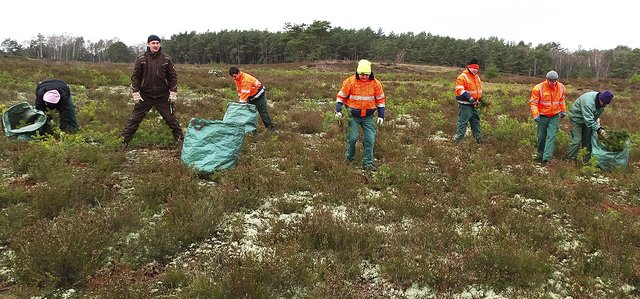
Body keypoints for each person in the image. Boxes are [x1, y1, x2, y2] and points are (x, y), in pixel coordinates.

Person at [121, 35, 183, 148]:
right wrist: (135, 92)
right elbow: (135, 77)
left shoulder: (166, 59)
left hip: (163, 97)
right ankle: (123, 143)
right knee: (134, 120)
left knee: (171, 120)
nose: (155, 45)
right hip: (145, 96)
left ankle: (180, 142)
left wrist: (173, 92)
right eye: (153, 43)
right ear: (148, 44)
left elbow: (173, 77)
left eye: (157, 43)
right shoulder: (141, 59)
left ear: (160, 45)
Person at [335, 59, 386, 171]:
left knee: (370, 139)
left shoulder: (376, 84)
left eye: (366, 74)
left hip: (368, 117)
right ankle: (349, 159)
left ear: (370, 73)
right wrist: (338, 110)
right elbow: (341, 97)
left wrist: (381, 115)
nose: (364, 76)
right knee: (352, 138)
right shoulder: (350, 82)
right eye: (362, 74)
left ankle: (367, 163)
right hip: (353, 116)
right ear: (358, 72)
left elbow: (380, 100)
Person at [529, 70, 567, 164]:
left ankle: (547, 158)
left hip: (554, 116)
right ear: (547, 79)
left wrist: (563, 110)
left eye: (555, 80)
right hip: (542, 116)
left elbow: (562, 100)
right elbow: (533, 103)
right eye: (551, 81)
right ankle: (540, 155)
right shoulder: (538, 88)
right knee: (541, 137)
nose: (553, 83)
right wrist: (535, 114)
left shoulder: (561, 87)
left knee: (552, 136)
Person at [566, 90, 614, 161]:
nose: (604, 105)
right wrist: (599, 130)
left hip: (588, 122)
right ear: (600, 99)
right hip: (576, 120)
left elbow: (594, 116)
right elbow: (589, 120)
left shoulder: (602, 104)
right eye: (603, 103)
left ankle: (586, 160)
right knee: (577, 140)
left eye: (605, 104)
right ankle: (569, 159)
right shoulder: (588, 102)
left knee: (587, 141)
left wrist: (597, 120)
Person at [228, 67, 275, 131]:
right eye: (232, 77)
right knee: (249, 113)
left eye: (235, 76)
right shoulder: (237, 79)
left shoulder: (246, 80)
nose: (234, 78)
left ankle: (271, 129)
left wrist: (239, 106)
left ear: (239, 73)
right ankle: (251, 130)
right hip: (250, 96)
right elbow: (240, 91)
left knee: (263, 113)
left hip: (259, 96)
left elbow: (244, 96)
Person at [454, 58, 483, 144]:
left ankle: (479, 140)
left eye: (477, 69)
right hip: (465, 104)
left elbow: (478, 89)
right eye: (474, 68)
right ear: (469, 67)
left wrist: (480, 98)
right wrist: (469, 98)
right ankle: (458, 142)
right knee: (463, 123)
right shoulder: (462, 77)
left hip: (474, 104)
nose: (476, 70)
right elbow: (459, 89)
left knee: (476, 122)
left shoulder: (476, 77)